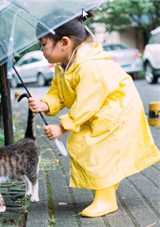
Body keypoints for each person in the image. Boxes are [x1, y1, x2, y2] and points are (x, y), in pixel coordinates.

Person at [29, 12, 160, 217]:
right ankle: (108, 184)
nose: (42, 50)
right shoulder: (64, 65)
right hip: (104, 109)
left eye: (43, 44)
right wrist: (45, 104)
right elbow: (59, 92)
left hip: (118, 109)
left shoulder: (88, 65)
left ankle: (107, 199)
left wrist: (62, 127)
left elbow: (86, 103)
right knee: (100, 149)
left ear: (64, 42)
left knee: (91, 145)